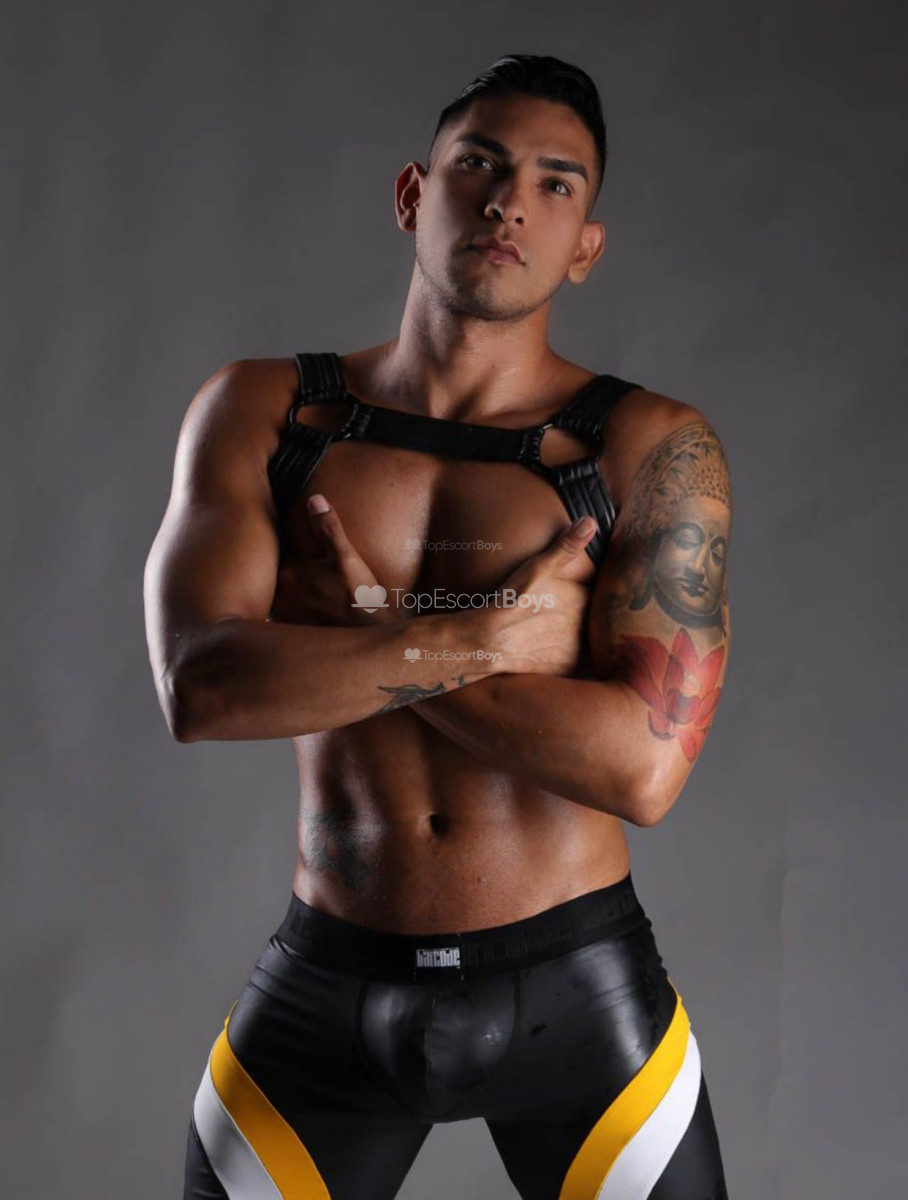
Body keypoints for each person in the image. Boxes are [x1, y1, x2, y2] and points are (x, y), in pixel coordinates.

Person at [144, 53, 733, 1200]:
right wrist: (471, 643)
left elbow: (642, 769)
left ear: (584, 247)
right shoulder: (266, 414)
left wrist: (363, 630)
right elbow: (201, 690)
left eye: (554, 184)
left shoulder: (647, 449)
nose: (510, 202)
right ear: (414, 194)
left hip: (572, 989)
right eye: (480, 165)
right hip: (328, 984)